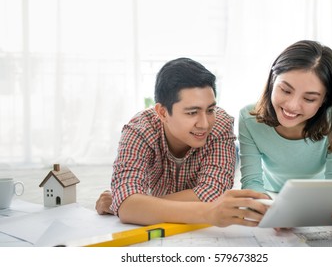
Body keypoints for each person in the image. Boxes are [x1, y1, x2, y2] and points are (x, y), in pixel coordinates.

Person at [96, 57, 270, 227]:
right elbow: (128, 207)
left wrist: (137, 203)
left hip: (220, 155)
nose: (204, 123)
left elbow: (213, 194)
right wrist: (128, 203)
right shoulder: (139, 130)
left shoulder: (220, 123)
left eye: (210, 109)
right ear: (163, 113)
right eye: (192, 112)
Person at [238, 40, 332, 239]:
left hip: (319, 196)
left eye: (309, 99)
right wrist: (269, 210)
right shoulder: (248, 117)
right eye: (285, 90)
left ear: (324, 99)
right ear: (273, 80)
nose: (292, 106)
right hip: (270, 192)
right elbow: (252, 183)